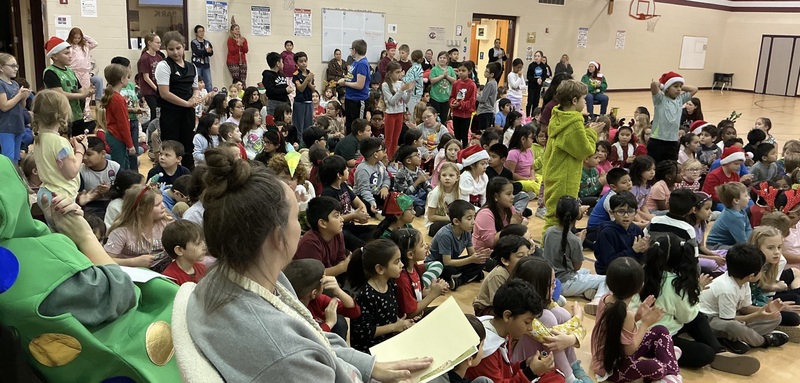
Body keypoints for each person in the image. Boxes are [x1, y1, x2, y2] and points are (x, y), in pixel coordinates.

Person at [186, 148, 432, 380]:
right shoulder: (284, 355)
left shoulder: (234, 276)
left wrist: (370, 366)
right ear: (277, 237)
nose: (301, 228)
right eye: (295, 217)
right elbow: (300, 350)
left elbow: (313, 335)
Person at [590, 257, 682, 382]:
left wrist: (638, 316)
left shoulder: (605, 298)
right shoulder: (626, 313)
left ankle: (669, 366)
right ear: (640, 286)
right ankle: (670, 366)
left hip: (613, 354)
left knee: (661, 330)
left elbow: (618, 330)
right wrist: (645, 323)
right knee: (656, 367)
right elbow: (629, 350)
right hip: (610, 368)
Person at [466, 279, 563, 383]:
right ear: (507, 316)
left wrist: (525, 364)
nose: (530, 328)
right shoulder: (486, 351)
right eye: (527, 322)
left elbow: (507, 371)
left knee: (554, 375)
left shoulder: (503, 331)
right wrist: (530, 372)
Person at [699, 243, 790, 353]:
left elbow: (745, 308)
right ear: (752, 275)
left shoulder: (743, 280)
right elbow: (729, 321)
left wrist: (767, 309)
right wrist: (756, 315)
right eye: (762, 270)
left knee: (776, 317)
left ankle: (734, 339)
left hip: (730, 316)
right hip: (709, 321)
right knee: (735, 327)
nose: (762, 272)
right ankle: (763, 341)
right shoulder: (726, 288)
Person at [541, 80, 602, 232]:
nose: (585, 102)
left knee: (557, 216)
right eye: (583, 99)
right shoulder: (573, 122)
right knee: (559, 218)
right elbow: (585, 151)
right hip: (564, 178)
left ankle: (555, 248)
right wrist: (592, 133)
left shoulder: (558, 116)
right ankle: (551, 250)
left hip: (555, 173)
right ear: (574, 100)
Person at [348, 239, 413, 353]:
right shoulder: (366, 296)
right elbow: (364, 332)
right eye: (396, 262)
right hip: (372, 350)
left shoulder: (391, 284)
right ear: (380, 269)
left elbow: (387, 316)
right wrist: (395, 327)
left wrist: (401, 323)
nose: (402, 265)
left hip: (389, 339)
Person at [545, 195, 606, 304]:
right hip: (565, 283)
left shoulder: (549, 231)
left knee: (586, 272)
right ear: (577, 215)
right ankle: (596, 301)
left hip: (550, 280)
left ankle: (587, 291)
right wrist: (580, 242)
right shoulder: (573, 240)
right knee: (605, 279)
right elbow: (576, 267)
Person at [284, 258, 361, 340]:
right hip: (313, 346)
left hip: (322, 340)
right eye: (323, 282)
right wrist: (329, 323)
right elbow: (311, 341)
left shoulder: (318, 300)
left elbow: (354, 312)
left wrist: (338, 291)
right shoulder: (291, 313)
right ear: (314, 293)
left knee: (340, 321)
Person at [156, 31, 200, 169]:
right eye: (171, 49)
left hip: (187, 114)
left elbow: (195, 88)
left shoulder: (192, 66)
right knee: (170, 148)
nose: (175, 52)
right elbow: (165, 93)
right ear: (166, 49)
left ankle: (188, 176)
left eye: (178, 48)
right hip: (171, 113)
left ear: (183, 46)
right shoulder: (164, 66)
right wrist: (186, 103)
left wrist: (194, 98)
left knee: (188, 146)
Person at [31, 90, 84, 206]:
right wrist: (80, 150)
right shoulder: (60, 142)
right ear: (63, 114)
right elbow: (71, 172)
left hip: (46, 192)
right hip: (61, 196)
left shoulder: (38, 138)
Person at [426, 200, 491, 290]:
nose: (473, 222)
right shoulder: (445, 234)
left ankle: (459, 279)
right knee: (450, 270)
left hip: (452, 262)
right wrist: (471, 259)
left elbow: (471, 254)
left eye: (474, 218)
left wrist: (479, 256)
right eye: (469, 219)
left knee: (482, 261)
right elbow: (447, 262)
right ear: (456, 221)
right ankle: (468, 277)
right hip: (438, 264)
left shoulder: (466, 231)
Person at [390, 227, 447, 317]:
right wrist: (432, 294)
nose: (426, 246)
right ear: (410, 254)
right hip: (411, 322)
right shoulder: (402, 279)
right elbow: (410, 314)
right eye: (421, 245)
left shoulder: (412, 266)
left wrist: (433, 291)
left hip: (419, 314)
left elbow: (415, 296)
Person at [43, 36, 94, 136]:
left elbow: (80, 89)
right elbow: (60, 94)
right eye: (66, 53)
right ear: (55, 56)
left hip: (76, 114)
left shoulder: (70, 71)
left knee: (79, 142)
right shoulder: (50, 72)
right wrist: (82, 95)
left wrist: (88, 91)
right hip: (61, 117)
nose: (70, 56)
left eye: (70, 53)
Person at [473, 234, 532, 316]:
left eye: (528, 255)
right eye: (520, 256)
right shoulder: (498, 275)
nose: (526, 259)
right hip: (489, 308)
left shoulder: (522, 270)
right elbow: (499, 304)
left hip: (510, 304)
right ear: (505, 260)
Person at [594, 192, 650, 275]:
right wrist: (633, 250)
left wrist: (644, 250)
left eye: (630, 211)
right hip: (610, 273)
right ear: (612, 213)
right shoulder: (606, 232)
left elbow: (640, 257)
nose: (626, 215)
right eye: (621, 211)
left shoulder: (637, 230)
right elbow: (610, 262)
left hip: (631, 269)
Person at [648, 71, 698, 163]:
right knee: (655, 164)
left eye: (680, 87)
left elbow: (694, 89)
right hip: (657, 140)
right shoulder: (660, 99)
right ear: (667, 88)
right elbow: (654, 84)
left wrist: (678, 85)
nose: (679, 89)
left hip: (673, 141)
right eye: (675, 86)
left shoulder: (680, 100)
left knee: (671, 166)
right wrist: (664, 85)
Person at [294, 196, 349, 278]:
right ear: (322, 223)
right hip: (311, 286)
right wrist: (342, 267)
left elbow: (340, 259)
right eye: (336, 216)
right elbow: (314, 275)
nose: (342, 219)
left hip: (330, 280)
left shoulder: (337, 234)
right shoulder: (310, 243)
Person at [100, 63, 135, 170]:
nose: (128, 80)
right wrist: (130, 145)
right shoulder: (118, 99)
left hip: (114, 135)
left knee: (123, 166)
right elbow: (123, 124)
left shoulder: (114, 97)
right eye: (127, 77)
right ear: (122, 79)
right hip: (117, 136)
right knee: (120, 168)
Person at [78, 136, 120, 218]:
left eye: (89, 154)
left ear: (103, 154)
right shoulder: (80, 170)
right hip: (91, 205)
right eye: (82, 154)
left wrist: (110, 190)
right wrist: (92, 195)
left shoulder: (115, 167)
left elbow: (122, 190)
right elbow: (79, 194)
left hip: (111, 202)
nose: (84, 158)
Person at [0, 53, 30, 164]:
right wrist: (19, 96)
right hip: (6, 127)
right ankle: (7, 180)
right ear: (1, 67)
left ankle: (16, 178)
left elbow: (21, 106)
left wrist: (24, 98)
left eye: (16, 65)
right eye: (12, 66)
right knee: (8, 158)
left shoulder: (15, 84)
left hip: (18, 125)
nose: (16, 68)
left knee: (16, 158)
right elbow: (4, 106)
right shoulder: (1, 84)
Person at [339, 40, 371, 133]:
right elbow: (352, 78)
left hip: (358, 99)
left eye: (351, 49)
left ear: (354, 50)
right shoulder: (355, 62)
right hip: (350, 97)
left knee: (358, 126)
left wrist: (344, 83)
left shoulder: (362, 64)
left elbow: (359, 85)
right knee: (349, 125)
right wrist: (345, 79)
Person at [161, 220, 207, 285]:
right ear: (179, 250)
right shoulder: (170, 278)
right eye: (198, 243)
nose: (204, 246)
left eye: (203, 241)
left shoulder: (202, 268)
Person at [67, 28, 99, 120]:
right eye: (75, 38)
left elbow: (95, 43)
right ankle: (76, 111)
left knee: (86, 91)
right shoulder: (69, 46)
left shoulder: (85, 46)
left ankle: (86, 111)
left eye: (78, 38)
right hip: (74, 71)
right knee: (76, 91)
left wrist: (84, 36)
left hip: (85, 72)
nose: (77, 40)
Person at [382, 61, 413, 158]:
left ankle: (392, 158)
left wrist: (409, 92)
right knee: (389, 139)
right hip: (390, 114)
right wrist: (401, 90)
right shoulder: (385, 85)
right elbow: (392, 101)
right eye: (397, 72)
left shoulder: (400, 83)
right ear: (390, 73)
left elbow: (406, 100)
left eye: (400, 72)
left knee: (396, 139)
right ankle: (386, 158)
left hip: (400, 113)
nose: (399, 74)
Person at [354, 137, 390, 216]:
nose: (384, 152)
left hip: (377, 193)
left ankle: (381, 209)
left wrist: (385, 187)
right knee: (366, 205)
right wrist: (372, 202)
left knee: (392, 199)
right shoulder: (363, 169)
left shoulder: (380, 164)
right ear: (375, 155)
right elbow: (364, 190)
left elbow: (387, 178)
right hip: (363, 196)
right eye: (382, 150)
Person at [450, 62, 477, 147]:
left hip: (466, 115)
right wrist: (452, 103)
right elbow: (452, 96)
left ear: (469, 72)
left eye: (463, 70)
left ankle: (464, 150)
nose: (460, 72)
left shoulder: (472, 85)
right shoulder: (456, 83)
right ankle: (456, 149)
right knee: (456, 135)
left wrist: (460, 104)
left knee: (464, 135)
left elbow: (472, 102)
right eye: (459, 70)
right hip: (456, 113)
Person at [137, 33, 163, 122]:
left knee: (159, 111)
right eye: (157, 42)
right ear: (149, 43)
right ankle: (151, 131)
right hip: (149, 90)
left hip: (157, 88)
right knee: (154, 110)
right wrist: (157, 88)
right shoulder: (145, 58)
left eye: (160, 42)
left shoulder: (159, 57)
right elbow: (146, 77)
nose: (159, 44)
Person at [292, 51, 316, 138]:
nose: (304, 63)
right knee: (299, 125)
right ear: (296, 63)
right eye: (301, 61)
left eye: (305, 61)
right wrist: (307, 79)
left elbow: (313, 89)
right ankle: (299, 143)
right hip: (300, 102)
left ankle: (307, 143)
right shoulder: (296, 74)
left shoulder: (310, 73)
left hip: (309, 101)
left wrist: (308, 80)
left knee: (309, 125)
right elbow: (300, 88)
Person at [429, 50, 457, 120]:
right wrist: (442, 76)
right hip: (435, 97)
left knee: (444, 118)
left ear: (447, 60)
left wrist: (447, 76)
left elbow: (454, 80)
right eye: (440, 57)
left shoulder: (450, 69)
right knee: (435, 118)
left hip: (446, 98)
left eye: (444, 58)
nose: (442, 59)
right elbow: (432, 80)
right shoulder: (435, 69)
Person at [262, 51, 292, 116]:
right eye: (282, 62)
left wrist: (288, 89)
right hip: (274, 104)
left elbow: (283, 86)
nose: (283, 64)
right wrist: (285, 90)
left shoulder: (282, 74)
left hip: (284, 102)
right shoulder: (268, 76)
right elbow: (270, 91)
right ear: (278, 63)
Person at [476, 62, 501, 133]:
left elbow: (482, 99)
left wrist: (475, 95)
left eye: (487, 71)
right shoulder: (494, 83)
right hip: (489, 111)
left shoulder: (490, 84)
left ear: (492, 74)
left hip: (485, 111)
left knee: (483, 131)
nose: (485, 72)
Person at [191, 25, 214, 92]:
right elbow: (197, 52)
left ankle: (210, 98)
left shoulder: (207, 42)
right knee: (197, 82)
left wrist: (208, 51)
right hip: (197, 65)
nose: (202, 33)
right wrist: (205, 51)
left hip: (206, 65)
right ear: (196, 33)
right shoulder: (193, 42)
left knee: (208, 83)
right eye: (200, 31)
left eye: (203, 31)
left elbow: (211, 53)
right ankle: (198, 96)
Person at [526, 51, 548, 115]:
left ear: (541, 57)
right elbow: (528, 76)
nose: (536, 58)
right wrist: (536, 80)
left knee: (536, 102)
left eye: (538, 56)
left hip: (538, 87)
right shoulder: (531, 65)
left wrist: (541, 80)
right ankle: (528, 115)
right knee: (530, 102)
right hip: (531, 86)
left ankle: (533, 115)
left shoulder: (543, 66)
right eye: (535, 56)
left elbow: (544, 76)